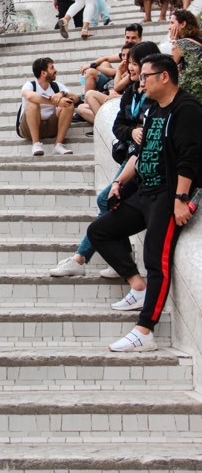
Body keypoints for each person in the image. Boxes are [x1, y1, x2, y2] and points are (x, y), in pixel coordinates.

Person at [88, 53, 202, 352]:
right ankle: (137, 286)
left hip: (167, 196)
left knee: (155, 259)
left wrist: (180, 199)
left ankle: (145, 330)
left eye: (146, 77)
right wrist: (118, 183)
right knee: (100, 231)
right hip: (143, 191)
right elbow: (139, 153)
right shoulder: (152, 109)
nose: (141, 82)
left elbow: (190, 158)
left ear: (164, 77)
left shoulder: (187, 109)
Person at [50, 41, 160, 277]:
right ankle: (106, 259)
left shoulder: (156, 95)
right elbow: (118, 125)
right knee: (109, 201)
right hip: (130, 156)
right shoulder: (131, 92)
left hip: (144, 162)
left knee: (106, 200)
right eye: (129, 63)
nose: (129, 67)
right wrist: (131, 131)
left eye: (133, 63)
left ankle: (85, 259)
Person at [19, 57, 79, 156]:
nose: (55, 71)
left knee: (68, 103)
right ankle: (36, 144)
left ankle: (58, 144)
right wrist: (54, 101)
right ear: (44, 73)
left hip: (50, 127)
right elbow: (30, 96)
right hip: (29, 128)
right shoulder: (30, 85)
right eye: (52, 68)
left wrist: (62, 94)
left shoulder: (56, 86)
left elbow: (75, 98)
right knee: (32, 103)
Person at [80, 23, 143, 94]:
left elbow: (114, 72)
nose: (129, 41)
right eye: (127, 37)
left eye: (133, 38)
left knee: (90, 72)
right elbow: (106, 58)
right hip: (116, 81)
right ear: (124, 37)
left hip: (124, 87)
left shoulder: (141, 53)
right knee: (104, 63)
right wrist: (91, 64)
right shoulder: (126, 50)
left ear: (140, 39)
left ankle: (89, 99)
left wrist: (94, 66)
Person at [169, 8, 202, 74]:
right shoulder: (199, 37)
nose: (169, 27)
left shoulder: (180, 44)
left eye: (172, 23)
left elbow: (170, 69)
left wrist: (174, 42)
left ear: (183, 24)